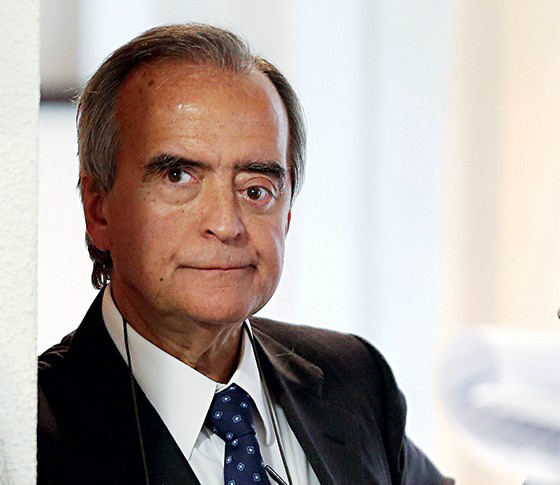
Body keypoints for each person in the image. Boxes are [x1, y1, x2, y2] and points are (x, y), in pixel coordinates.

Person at [37, 23, 453, 485]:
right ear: (99, 210)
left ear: (287, 215)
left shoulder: (353, 379)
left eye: (255, 190)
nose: (226, 224)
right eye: (179, 178)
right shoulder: (30, 436)